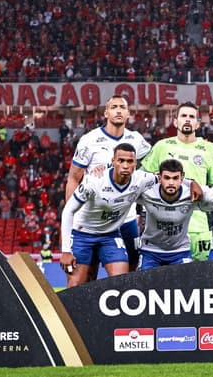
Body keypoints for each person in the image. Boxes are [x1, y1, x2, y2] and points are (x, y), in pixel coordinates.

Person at [67, 95, 151, 272]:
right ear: (106, 113)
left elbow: (149, 167)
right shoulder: (89, 141)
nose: (118, 110)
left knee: (131, 272)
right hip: (95, 219)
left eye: (122, 107)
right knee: (88, 276)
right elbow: (74, 178)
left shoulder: (137, 140)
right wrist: (73, 215)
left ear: (128, 113)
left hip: (127, 219)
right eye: (114, 107)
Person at [60, 143, 157, 288]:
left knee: (122, 284)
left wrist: (192, 184)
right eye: (121, 161)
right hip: (82, 235)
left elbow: (167, 179)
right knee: (75, 286)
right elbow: (68, 211)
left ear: (135, 163)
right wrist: (66, 250)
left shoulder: (141, 179)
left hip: (110, 236)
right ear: (113, 162)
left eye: (130, 161)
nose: (125, 165)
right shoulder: (94, 181)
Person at [142, 102, 213, 262]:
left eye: (191, 117)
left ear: (198, 123)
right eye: (183, 116)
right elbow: (144, 180)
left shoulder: (208, 149)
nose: (187, 120)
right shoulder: (161, 147)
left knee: (201, 278)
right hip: (164, 225)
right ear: (175, 121)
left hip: (198, 225)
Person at [137, 158, 204, 269]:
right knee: (145, 284)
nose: (171, 183)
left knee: (187, 284)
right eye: (167, 178)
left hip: (180, 251)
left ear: (182, 178)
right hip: (151, 251)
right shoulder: (147, 193)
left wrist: (193, 182)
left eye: (175, 178)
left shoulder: (192, 194)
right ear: (159, 178)